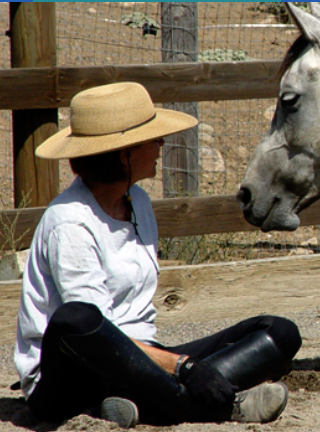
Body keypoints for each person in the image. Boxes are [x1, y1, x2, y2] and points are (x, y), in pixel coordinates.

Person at [15, 82, 301, 428]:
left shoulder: (139, 203)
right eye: (152, 139)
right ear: (125, 153)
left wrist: (180, 365)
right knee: (76, 319)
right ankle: (213, 408)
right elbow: (97, 335)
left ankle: (138, 404)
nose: (161, 144)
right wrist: (186, 367)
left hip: (144, 361)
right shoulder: (70, 223)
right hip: (71, 379)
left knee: (279, 333)